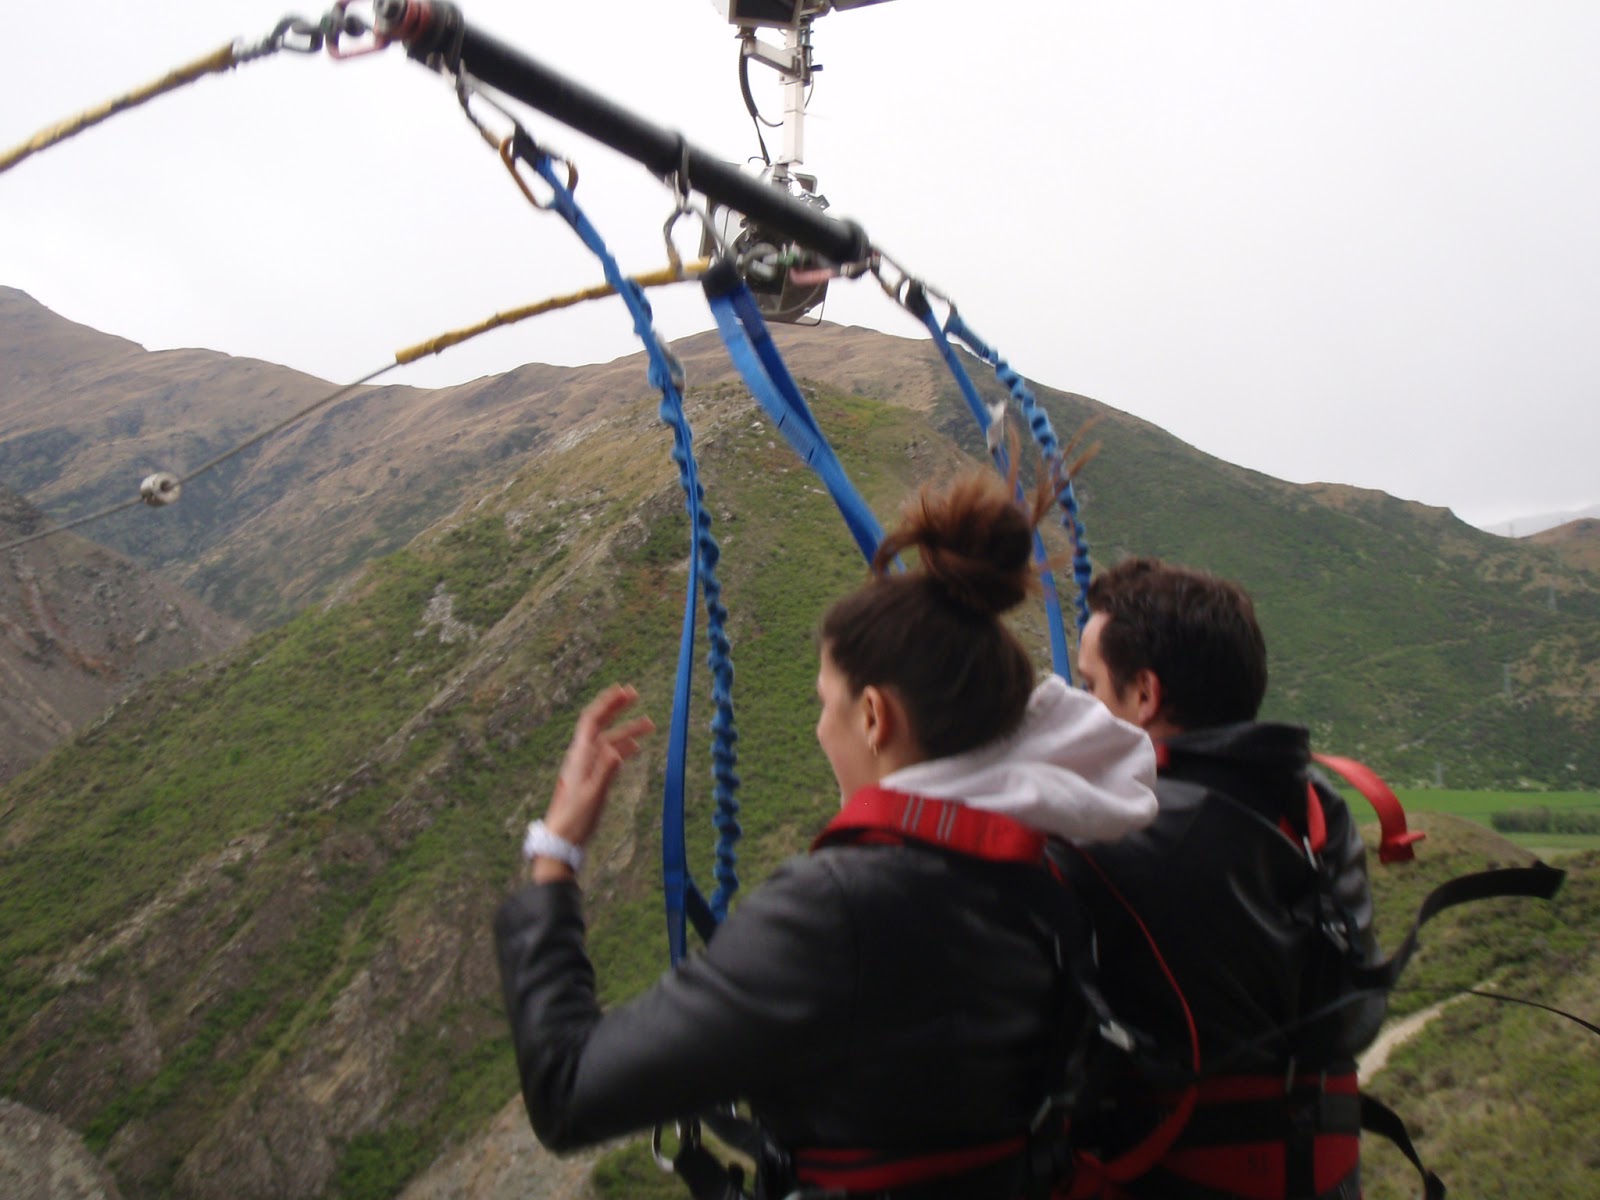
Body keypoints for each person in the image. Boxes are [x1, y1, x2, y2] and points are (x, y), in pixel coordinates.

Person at [494, 467, 1158, 1198]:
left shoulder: (837, 911)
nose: (817, 728)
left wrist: (555, 856)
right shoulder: (1048, 866)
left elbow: (567, 1090)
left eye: (825, 703)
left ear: (874, 717)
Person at [1064, 557, 1385, 1200]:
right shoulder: (1315, 807)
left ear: (1145, 696)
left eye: (1090, 686)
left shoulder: (1125, 837)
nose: (1077, 712)